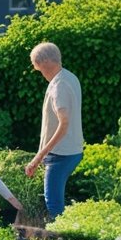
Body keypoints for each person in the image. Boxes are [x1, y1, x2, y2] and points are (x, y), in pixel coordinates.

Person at [24, 42, 84, 218]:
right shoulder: (69, 77)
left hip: (61, 154)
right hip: (70, 151)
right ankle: (64, 239)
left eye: (38, 68)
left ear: (45, 62)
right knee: (56, 201)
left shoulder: (60, 85)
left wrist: (38, 157)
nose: (40, 72)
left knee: (54, 204)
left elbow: (63, 123)